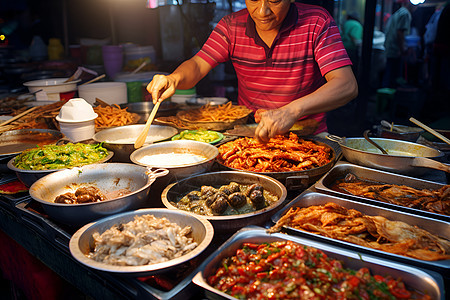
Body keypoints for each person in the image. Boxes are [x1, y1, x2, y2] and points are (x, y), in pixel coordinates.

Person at [147, 0, 358, 142]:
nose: (263, 11)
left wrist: (291, 111)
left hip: (308, 136)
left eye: (274, 0)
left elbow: (346, 85)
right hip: (250, 135)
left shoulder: (317, 22)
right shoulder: (231, 26)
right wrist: (174, 78)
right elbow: (197, 65)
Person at [382, 0, 414, 88]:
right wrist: (402, 49)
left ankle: (384, 97)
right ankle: (389, 99)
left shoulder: (398, 13)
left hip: (391, 48)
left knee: (389, 75)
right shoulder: (405, 14)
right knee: (393, 78)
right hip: (396, 50)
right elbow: (400, 32)